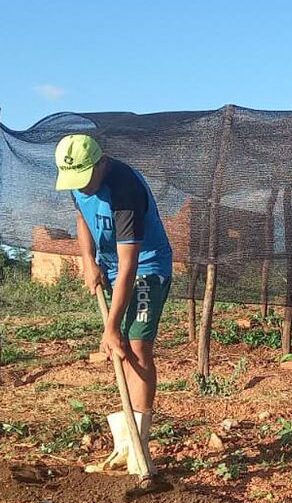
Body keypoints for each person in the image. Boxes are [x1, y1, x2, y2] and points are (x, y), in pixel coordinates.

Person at [54, 134, 173, 482]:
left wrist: (111, 329)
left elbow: (129, 265)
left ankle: (139, 447)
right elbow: (82, 218)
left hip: (147, 267)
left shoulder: (125, 191)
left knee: (136, 348)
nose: (82, 188)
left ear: (101, 163)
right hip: (110, 263)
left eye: (86, 179)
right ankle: (125, 446)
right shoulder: (79, 183)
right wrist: (88, 260)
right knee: (123, 348)